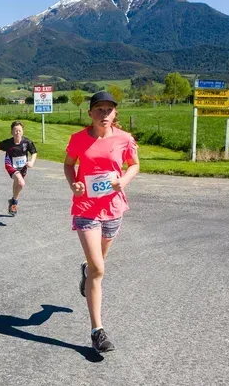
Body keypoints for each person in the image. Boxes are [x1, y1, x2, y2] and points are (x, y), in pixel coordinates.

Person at [63, 91, 140, 354]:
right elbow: (68, 164)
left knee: (97, 265)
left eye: (109, 109)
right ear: (90, 113)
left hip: (113, 208)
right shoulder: (78, 140)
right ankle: (97, 331)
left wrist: (124, 181)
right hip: (85, 208)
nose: (104, 114)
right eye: (99, 109)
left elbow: (134, 165)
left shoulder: (124, 139)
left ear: (115, 113)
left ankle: (87, 270)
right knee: (99, 269)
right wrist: (73, 183)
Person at [0, 121, 37, 216]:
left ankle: (13, 202)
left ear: (23, 132)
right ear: (11, 132)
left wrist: (32, 162)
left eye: (19, 131)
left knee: (19, 184)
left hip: (23, 167)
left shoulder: (27, 142)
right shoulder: (8, 143)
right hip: (10, 165)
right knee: (21, 182)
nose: (17, 133)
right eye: (15, 131)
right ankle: (14, 203)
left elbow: (34, 152)